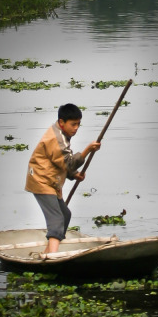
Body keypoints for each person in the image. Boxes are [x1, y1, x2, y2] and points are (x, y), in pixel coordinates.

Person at [25, 103, 102, 258]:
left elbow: (58, 163)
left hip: (50, 180)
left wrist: (73, 175)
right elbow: (69, 163)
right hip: (41, 181)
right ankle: (52, 256)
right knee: (57, 218)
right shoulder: (57, 139)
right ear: (62, 123)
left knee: (65, 214)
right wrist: (87, 150)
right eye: (73, 124)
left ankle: (47, 252)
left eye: (78, 125)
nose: (76, 128)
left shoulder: (61, 135)